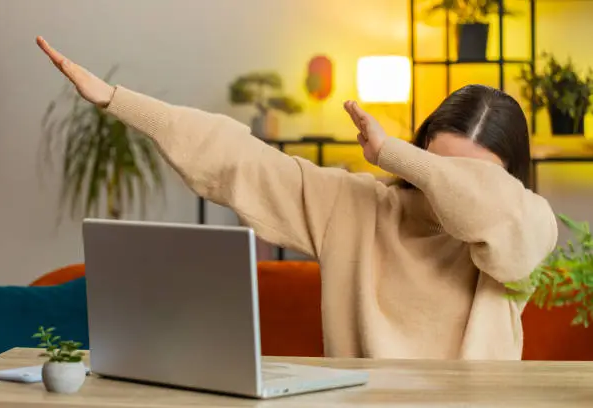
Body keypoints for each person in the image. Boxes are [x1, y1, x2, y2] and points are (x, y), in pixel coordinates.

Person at [36, 36, 557, 360]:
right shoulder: (356, 206)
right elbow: (238, 158)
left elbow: (501, 213)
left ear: (512, 178)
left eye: (477, 177)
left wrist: (396, 154)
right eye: (438, 163)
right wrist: (118, 101)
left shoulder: (524, 227)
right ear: (423, 147)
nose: (448, 186)